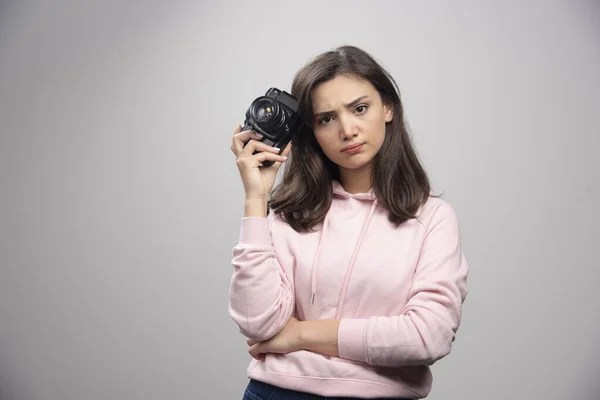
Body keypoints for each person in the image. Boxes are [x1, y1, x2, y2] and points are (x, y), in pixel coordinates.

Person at [228, 45, 469, 400]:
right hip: (275, 392)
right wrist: (256, 200)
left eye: (359, 108)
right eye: (327, 118)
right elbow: (256, 322)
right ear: (312, 131)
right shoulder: (289, 213)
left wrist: (300, 335)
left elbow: (427, 335)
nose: (347, 130)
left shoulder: (432, 219)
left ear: (387, 107)